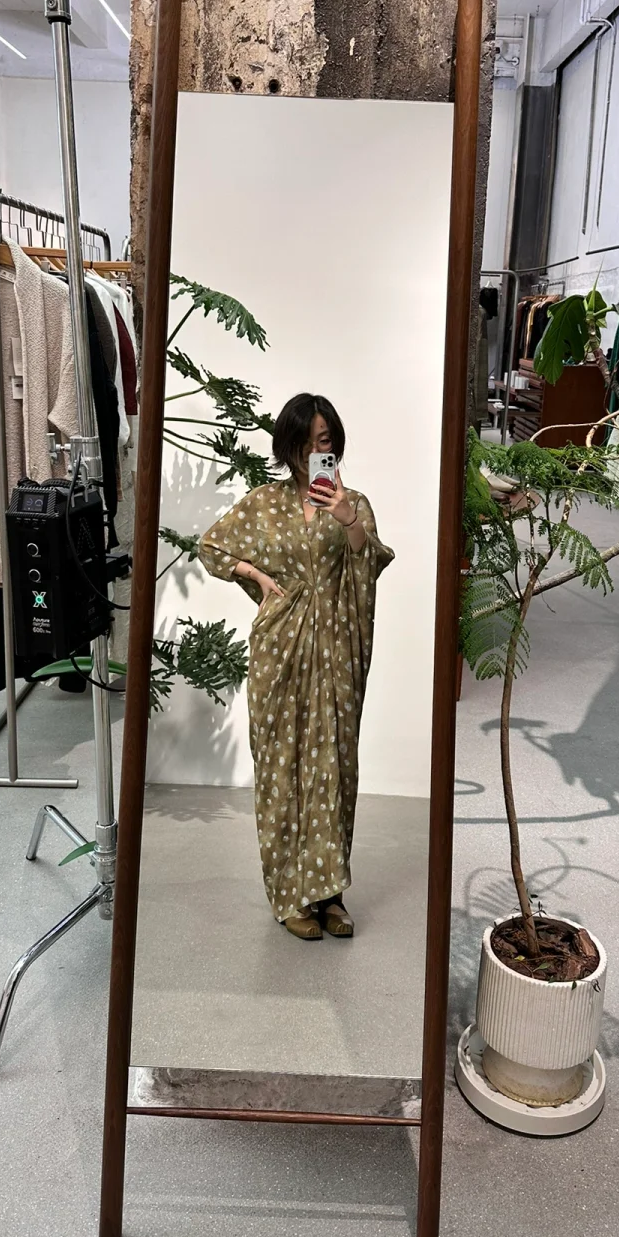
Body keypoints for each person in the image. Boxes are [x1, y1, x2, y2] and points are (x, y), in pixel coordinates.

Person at [199, 393, 393, 939]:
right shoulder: (264, 502)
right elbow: (211, 547)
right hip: (280, 650)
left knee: (334, 768)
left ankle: (330, 896)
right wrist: (257, 577)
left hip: (337, 650)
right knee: (282, 767)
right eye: (304, 444)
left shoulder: (354, 503)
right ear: (287, 448)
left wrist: (347, 519)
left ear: (336, 443)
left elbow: (369, 564)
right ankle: (290, 898)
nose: (314, 454)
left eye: (323, 442)